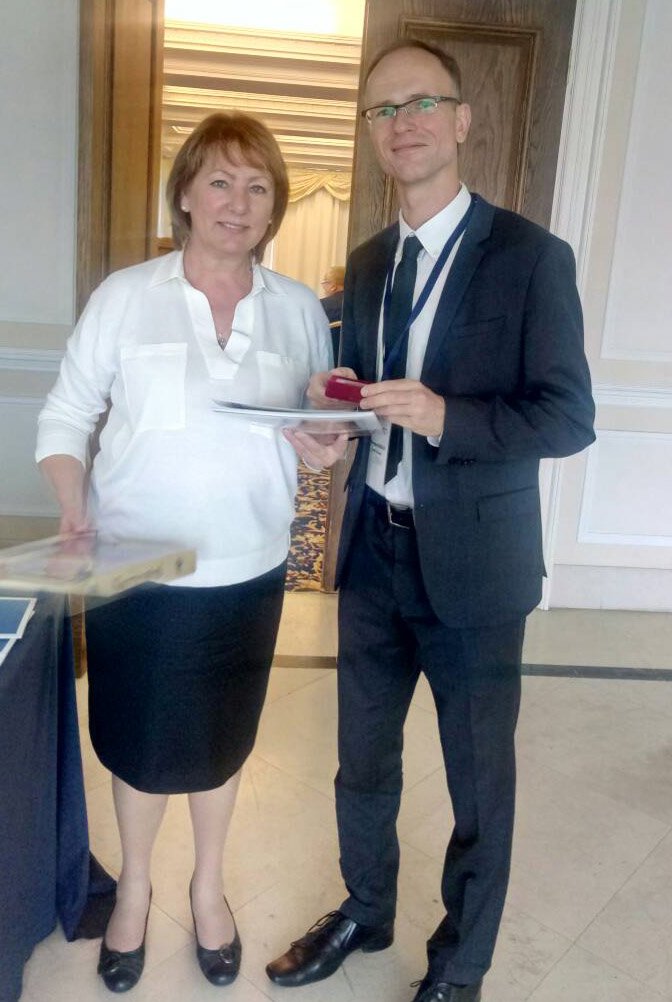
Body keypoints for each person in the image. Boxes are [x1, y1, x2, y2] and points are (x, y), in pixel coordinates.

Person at [265, 39, 595, 1002]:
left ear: (461, 120)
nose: (402, 123)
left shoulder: (531, 258)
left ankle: (461, 965)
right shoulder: (371, 262)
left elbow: (568, 418)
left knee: (478, 782)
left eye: (421, 104)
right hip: (373, 550)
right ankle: (366, 912)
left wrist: (449, 417)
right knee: (360, 761)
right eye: (383, 110)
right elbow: (372, 399)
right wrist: (337, 425)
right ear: (372, 134)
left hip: (477, 569)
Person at [35, 111, 345, 994]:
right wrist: (73, 509)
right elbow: (65, 415)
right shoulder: (126, 295)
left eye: (257, 187)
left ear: (274, 207)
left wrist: (325, 449)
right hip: (137, 570)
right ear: (184, 194)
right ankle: (134, 889)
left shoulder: (296, 309)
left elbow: (315, 432)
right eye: (219, 181)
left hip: (248, 570)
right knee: (137, 746)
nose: (237, 203)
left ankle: (209, 890)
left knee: (220, 743)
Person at [319, 264, 346, 361]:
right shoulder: (360, 306)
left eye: (324, 283)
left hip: (327, 358)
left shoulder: (320, 306)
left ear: (333, 286)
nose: (323, 288)